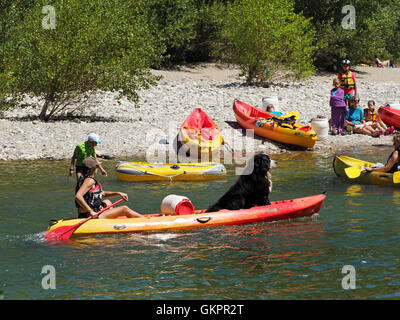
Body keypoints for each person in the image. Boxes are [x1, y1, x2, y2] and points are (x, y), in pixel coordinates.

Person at [75, 157, 142, 219]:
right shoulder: (90, 181)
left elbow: (102, 193)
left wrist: (118, 193)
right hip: (90, 215)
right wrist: (90, 211)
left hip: (93, 211)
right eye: (97, 167)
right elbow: (78, 196)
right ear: (94, 169)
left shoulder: (84, 179)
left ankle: (110, 221)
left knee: (107, 202)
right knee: (124, 209)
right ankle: (145, 220)